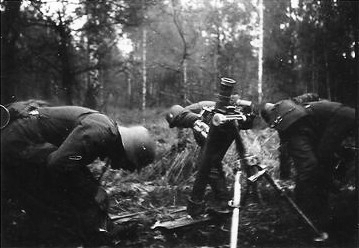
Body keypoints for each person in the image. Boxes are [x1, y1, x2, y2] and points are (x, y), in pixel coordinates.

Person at [1, 100, 156, 247]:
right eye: (128, 165)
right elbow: (59, 163)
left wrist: (93, 190)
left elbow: (73, 162)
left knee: (78, 189)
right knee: (59, 211)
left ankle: (99, 231)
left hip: (25, 142)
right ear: (126, 152)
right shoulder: (101, 133)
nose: (124, 169)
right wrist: (93, 190)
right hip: (18, 143)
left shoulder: (106, 131)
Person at [260, 98, 355, 234]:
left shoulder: (289, 116)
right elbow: (287, 149)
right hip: (342, 115)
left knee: (317, 164)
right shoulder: (294, 109)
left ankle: (312, 214)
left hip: (341, 119)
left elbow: (307, 165)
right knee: (320, 162)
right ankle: (324, 206)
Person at [166, 97, 255, 217]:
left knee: (207, 165)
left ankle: (222, 202)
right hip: (226, 126)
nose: (178, 126)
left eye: (175, 124)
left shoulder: (185, 113)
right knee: (212, 164)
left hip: (222, 127)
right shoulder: (195, 110)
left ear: (175, 117)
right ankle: (222, 200)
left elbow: (190, 119)